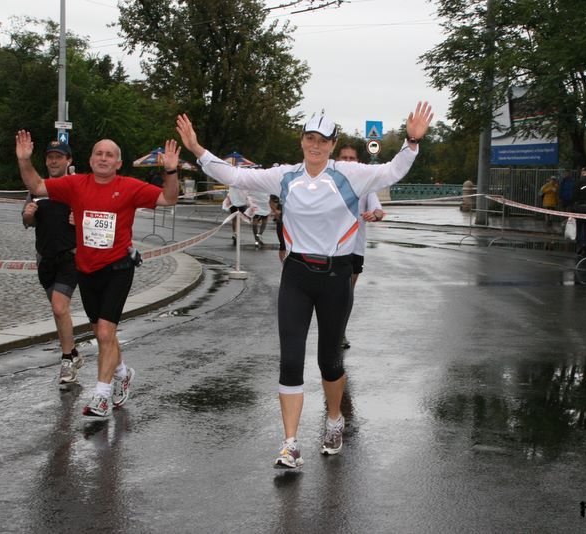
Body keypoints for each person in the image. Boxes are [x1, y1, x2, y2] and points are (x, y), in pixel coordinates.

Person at [176, 101, 433, 468]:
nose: (315, 146)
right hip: (296, 274)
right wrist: (199, 151)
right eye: (309, 138)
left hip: (336, 275)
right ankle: (290, 443)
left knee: (329, 361)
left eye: (322, 140)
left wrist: (411, 141)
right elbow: (238, 178)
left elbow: (392, 171)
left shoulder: (350, 174)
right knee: (291, 359)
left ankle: (333, 418)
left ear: (332, 144)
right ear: (302, 141)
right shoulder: (286, 176)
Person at [16, 131, 180, 418]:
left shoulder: (129, 187)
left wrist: (170, 170)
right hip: (86, 269)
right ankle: (123, 372)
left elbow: (169, 198)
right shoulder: (75, 185)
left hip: (118, 268)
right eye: (99, 154)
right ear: (90, 160)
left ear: (118, 163)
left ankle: (101, 396)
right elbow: (37, 185)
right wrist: (24, 161)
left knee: (105, 332)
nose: (104, 158)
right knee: (101, 333)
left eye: (110, 155)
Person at [21, 140, 82, 386]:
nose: (54, 161)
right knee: (60, 313)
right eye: (50, 157)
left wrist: (80, 220)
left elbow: (94, 221)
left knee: (59, 307)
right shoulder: (37, 188)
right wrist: (28, 216)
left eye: (59, 157)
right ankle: (75, 352)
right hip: (45, 259)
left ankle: (67, 360)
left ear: (68, 161)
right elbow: (27, 221)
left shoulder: (75, 188)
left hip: (70, 257)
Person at [335, 144, 385, 350]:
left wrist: (375, 214)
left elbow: (377, 209)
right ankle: (332, 330)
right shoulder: (328, 182)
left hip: (355, 248)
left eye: (352, 158)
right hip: (331, 249)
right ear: (337, 160)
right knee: (332, 293)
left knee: (346, 293)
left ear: (358, 162)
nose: (348, 162)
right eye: (344, 158)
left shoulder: (366, 185)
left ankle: (340, 332)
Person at [268, 194, 285, 262]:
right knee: (283, 244)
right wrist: (275, 210)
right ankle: (283, 264)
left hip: (293, 221)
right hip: (281, 221)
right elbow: (271, 201)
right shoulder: (280, 188)